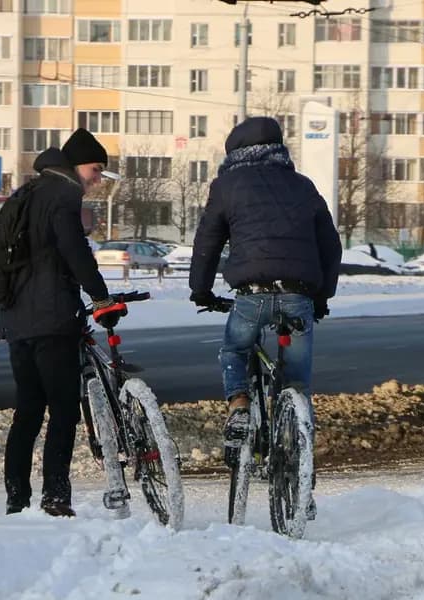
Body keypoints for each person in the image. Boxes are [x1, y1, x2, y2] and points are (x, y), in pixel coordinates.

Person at [188, 116, 342, 516]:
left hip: (252, 295)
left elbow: (207, 241)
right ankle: (303, 490)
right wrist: (322, 295)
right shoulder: (303, 185)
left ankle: (239, 405)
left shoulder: (226, 187)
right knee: (298, 388)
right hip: (299, 296)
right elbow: (331, 246)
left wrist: (200, 290)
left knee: (235, 349)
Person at [0, 128, 126, 518]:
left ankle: (16, 499)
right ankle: (55, 497)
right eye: (95, 169)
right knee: (64, 409)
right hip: (52, 319)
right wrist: (101, 298)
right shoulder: (64, 195)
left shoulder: (26, 193)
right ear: (75, 166)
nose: (97, 179)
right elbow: (75, 252)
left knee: (29, 410)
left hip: (16, 319)